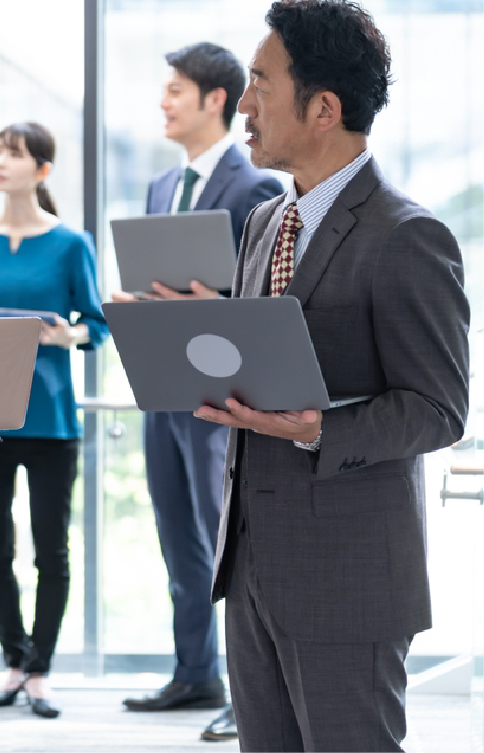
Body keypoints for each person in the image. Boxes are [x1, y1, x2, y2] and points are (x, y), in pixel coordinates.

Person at [194, 2, 470, 752]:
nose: (243, 105)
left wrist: (319, 427)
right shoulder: (263, 225)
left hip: (348, 585)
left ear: (324, 108)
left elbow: (440, 408)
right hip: (251, 574)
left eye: (259, 84)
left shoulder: (408, 236)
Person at [118, 43, 281, 744]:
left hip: (224, 399)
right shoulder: (162, 188)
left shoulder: (256, 189)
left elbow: (267, 301)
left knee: (230, 549)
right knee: (179, 539)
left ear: (216, 99)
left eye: (175, 89)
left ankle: (249, 690)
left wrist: (209, 298)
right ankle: (195, 669)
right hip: (165, 392)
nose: (163, 101)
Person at [0, 122, 108, 719]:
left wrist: (64, 334)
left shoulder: (73, 244)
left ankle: (41, 668)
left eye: (13, 155)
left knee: (52, 550)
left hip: (50, 421)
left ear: (42, 170)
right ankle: (13, 659)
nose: (0, 162)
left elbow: (96, 325)